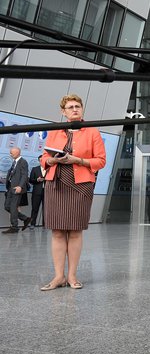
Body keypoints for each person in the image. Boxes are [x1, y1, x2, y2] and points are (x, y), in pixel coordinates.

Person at [40, 94, 106, 291]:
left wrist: (77, 160)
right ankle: (58, 276)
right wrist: (52, 160)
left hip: (80, 186)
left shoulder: (92, 132)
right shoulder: (54, 131)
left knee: (75, 232)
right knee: (58, 231)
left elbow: (101, 161)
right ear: (63, 112)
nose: (75, 109)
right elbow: (44, 157)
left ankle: (72, 276)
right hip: (56, 183)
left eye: (78, 106)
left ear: (82, 109)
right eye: (70, 107)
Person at [2, 147, 31, 233]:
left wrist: (20, 186)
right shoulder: (14, 162)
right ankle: (25, 218)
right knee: (7, 206)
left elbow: (24, 175)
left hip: (17, 188)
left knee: (13, 207)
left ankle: (14, 227)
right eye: (10, 153)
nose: (10, 154)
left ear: (18, 152)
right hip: (11, 188)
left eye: (12, 153)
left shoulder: (23, 162)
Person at [29, 154, 46, 228]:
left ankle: (45, 224)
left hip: (47, 192)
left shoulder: (50, 169)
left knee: (46, 209)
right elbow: (30, 180)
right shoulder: (34, 169)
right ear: (39, 161)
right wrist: (37, 180)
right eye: (40, 160)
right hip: (37, 192)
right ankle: (32, 224)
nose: (42, 161)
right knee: (35, 208)